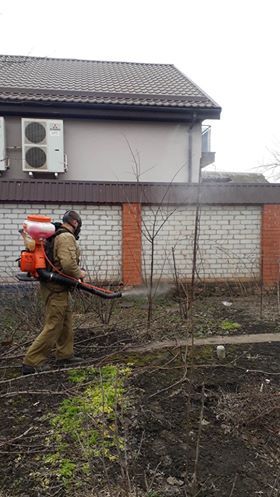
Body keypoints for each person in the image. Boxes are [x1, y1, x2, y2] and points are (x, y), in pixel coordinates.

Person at [22, 210, 86, 375]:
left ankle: (65, 354)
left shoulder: (57, 235)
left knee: (65, 320)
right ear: (75, 223)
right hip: (55, 287)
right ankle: (32, 360)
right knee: (54, 324)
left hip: (57, 285)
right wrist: (80, 273)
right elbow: (67, 264)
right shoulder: (66, 237)